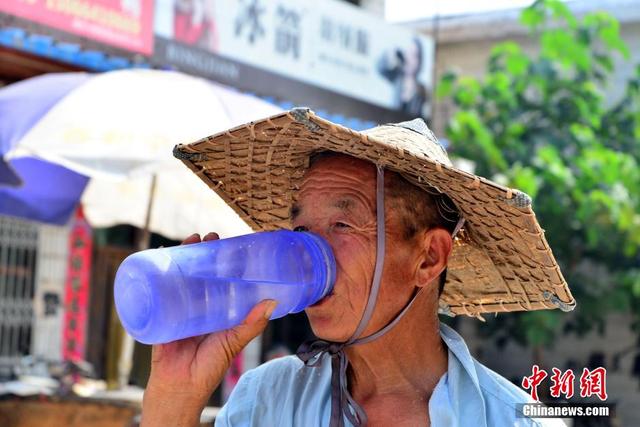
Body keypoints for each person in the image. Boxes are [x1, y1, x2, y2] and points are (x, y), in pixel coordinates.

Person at [143, 110, 575, 426]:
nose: (307, 250)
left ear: (428, 258)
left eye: (342, 224)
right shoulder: (267, 401)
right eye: (300, 228)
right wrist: (176, 396)